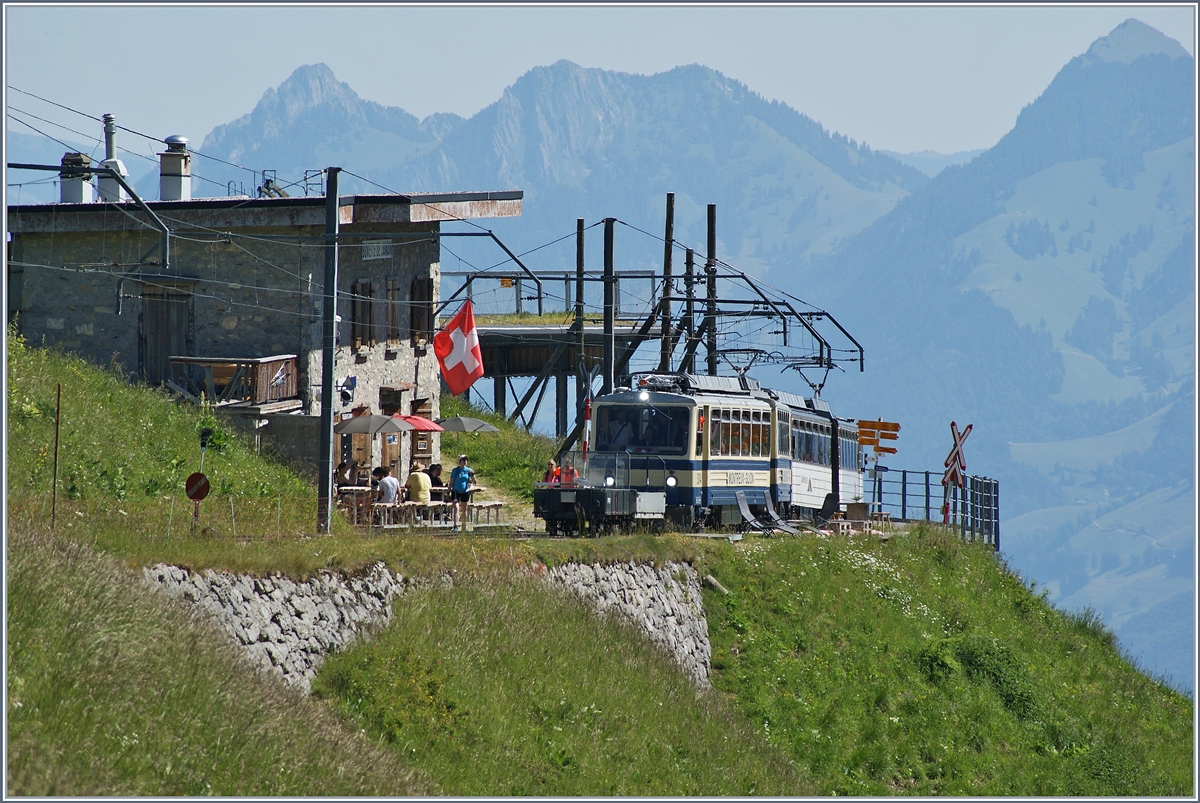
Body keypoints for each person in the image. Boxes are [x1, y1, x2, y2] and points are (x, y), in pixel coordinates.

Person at [449, 454, 476, 533]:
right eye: (463, 460)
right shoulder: (455, 470)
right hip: (456, 491)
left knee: (464, 509)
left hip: (465, 491)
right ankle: (456, 525)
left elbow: (474, 481)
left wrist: (471, 485)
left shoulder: (469, 470)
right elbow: (451, 481)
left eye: (465, 460)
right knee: (456, 508)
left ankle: (464, 525)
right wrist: (449, 489)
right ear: (460, 461)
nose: (465, 461)